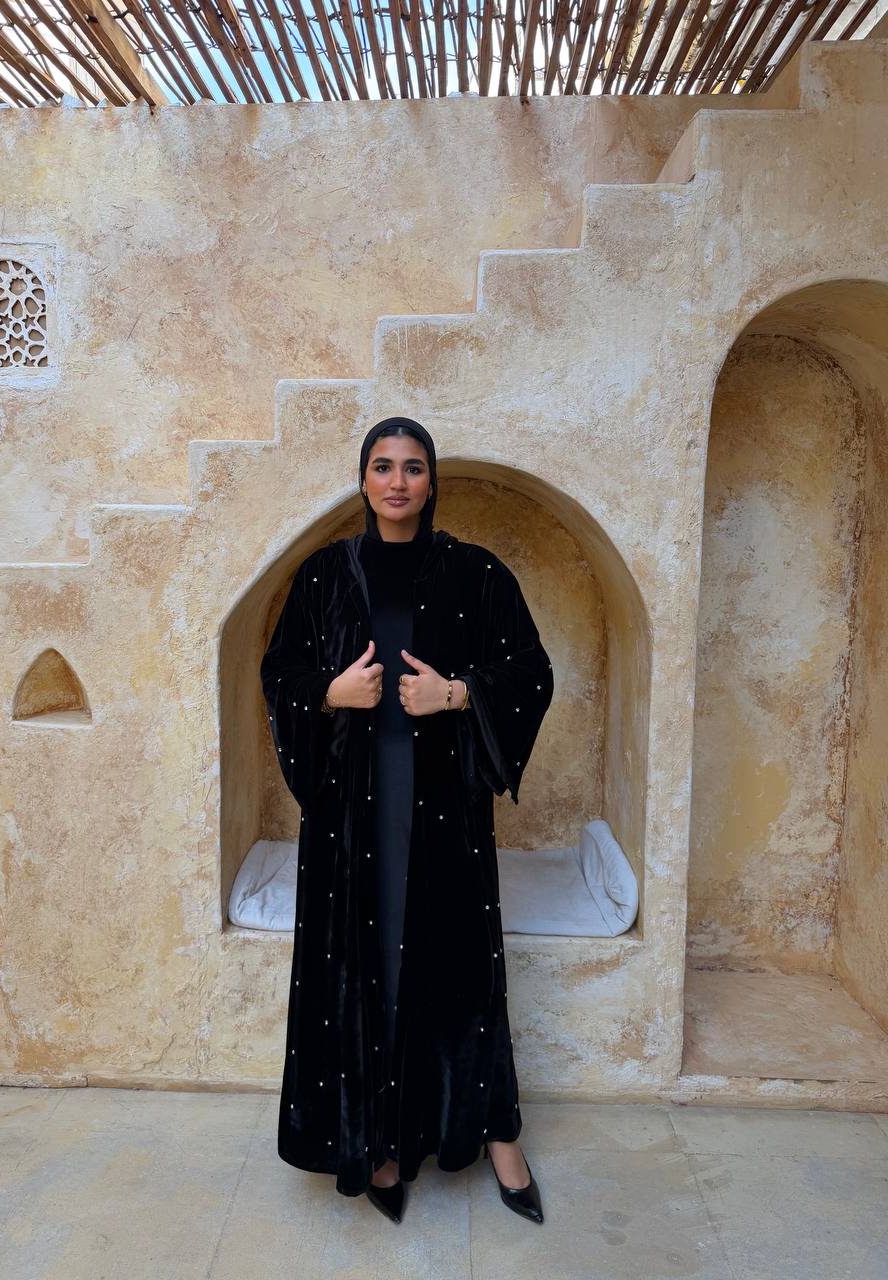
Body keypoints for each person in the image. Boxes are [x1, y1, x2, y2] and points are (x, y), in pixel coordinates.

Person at [260, 416, 554, 1224]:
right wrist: (329, 692)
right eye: (383, 466)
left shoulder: (475, 572)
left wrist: (455, 694)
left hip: (445, 812)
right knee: (366, 971)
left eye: (413, 467)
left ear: (432, 483)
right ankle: (377, 1145)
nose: (397, 481)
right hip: (351, 818)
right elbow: (279, 670)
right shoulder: (325, 575)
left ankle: (498, 1135)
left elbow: (531, 672)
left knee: (459, 967)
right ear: (363, 480)